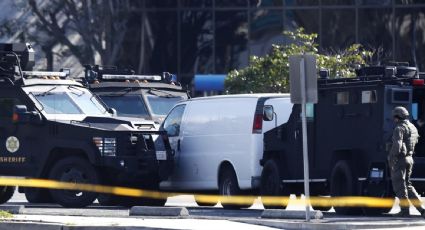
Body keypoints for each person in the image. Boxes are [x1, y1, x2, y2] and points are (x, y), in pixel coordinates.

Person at [389, 106, 425, 218]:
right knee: (408, 185)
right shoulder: (413, 127)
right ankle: (421, 209)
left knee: (399, 186)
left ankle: (404, 210)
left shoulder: (399, 128)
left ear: (397, 117)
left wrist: (392, 158)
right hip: (410, 158)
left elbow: (397, 145)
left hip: (400, 159)